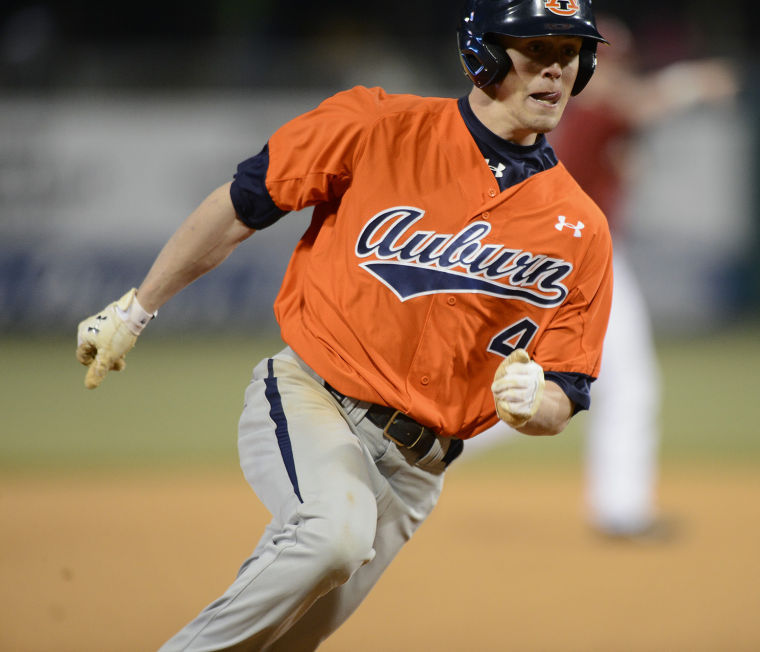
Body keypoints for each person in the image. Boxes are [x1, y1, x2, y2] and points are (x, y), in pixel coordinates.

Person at [75, 1, 612, 649]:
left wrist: (535, 407)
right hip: (315, 396)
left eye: (569, 54)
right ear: (484, 56)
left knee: (287, 638)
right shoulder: (378, 125)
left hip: (418, 472)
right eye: (537, 50)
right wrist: (137, 309)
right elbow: (242, 205)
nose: (556, 71)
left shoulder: (581, 227)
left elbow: (569, 388)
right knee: (333, 536)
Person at [463, 15, 739, 539]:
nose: (616, 73)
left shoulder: (561, 112)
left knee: (549, 385)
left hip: (561, 259)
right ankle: (619, 509)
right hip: (586, 261)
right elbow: (639, 104)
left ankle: (426, 443)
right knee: (621, 384)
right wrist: (696, 82)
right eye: (606, 64)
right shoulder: (589, 109)